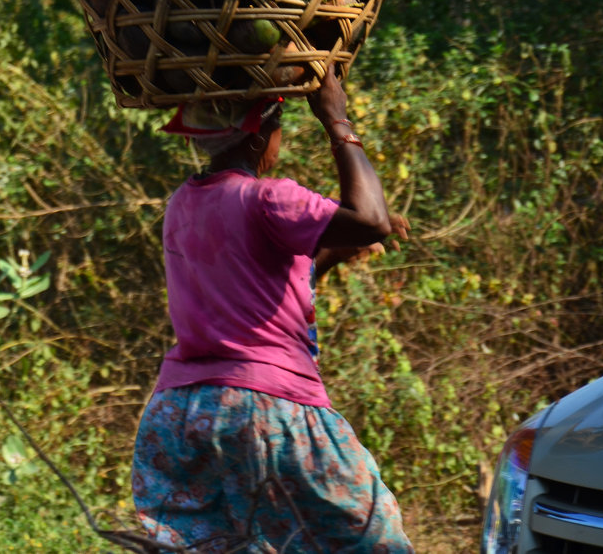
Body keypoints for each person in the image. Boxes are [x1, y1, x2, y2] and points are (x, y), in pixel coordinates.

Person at [131, 66, 414, 553]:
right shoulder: (268, 197)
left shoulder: (182, 204)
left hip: (181, 415)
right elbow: (371, 221)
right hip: (266, 409)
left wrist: (334, 249)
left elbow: (262, 287)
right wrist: (337, 119)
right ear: (261, 134)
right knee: (373, 542)